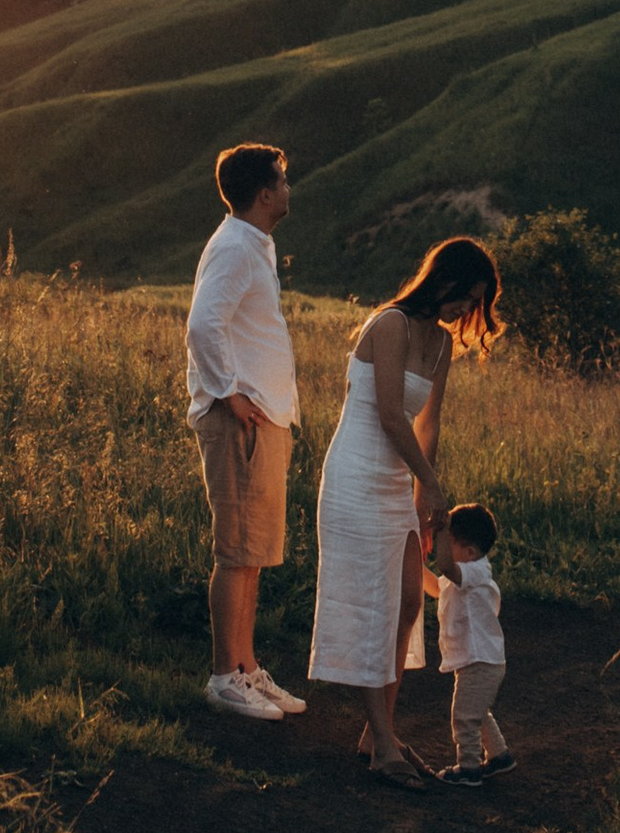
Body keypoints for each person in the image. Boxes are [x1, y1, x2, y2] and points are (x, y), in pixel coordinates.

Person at [307, 235, 503, 786]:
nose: (466, 310)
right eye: (465, 296)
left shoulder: (441, 344)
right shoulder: (388, 324)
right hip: (354, 477)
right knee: (376, 606)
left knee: (409, 603)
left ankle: (379, 731)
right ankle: (384, 746)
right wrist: (431, 483)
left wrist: (424, 498)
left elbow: (427, 424)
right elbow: (392, 415)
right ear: (442, 279)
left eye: (476, 304)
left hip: (399, 482)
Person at [185, 140, 306, 723]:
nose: (288, 188)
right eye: (283, 180)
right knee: (236, 552)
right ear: (264, 193)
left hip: (263, 417)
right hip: (241, 420)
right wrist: (230, 393)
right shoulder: (235, 246)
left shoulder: (253, 243)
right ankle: (221, 677)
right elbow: (202, 324)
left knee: (253, 553)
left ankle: (246, 669)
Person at [423, 498, 511, 790]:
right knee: (477, 713)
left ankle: (469, 768)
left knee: (464, 715)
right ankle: (499, 757)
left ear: (469, 552)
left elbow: (446, 566)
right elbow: (436, 587)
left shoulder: (473, 572)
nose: (442, 549)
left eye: (449, 543)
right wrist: (414, 561)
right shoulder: (463, 572)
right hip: (481, 660)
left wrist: (440, 529)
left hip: (481, 661)